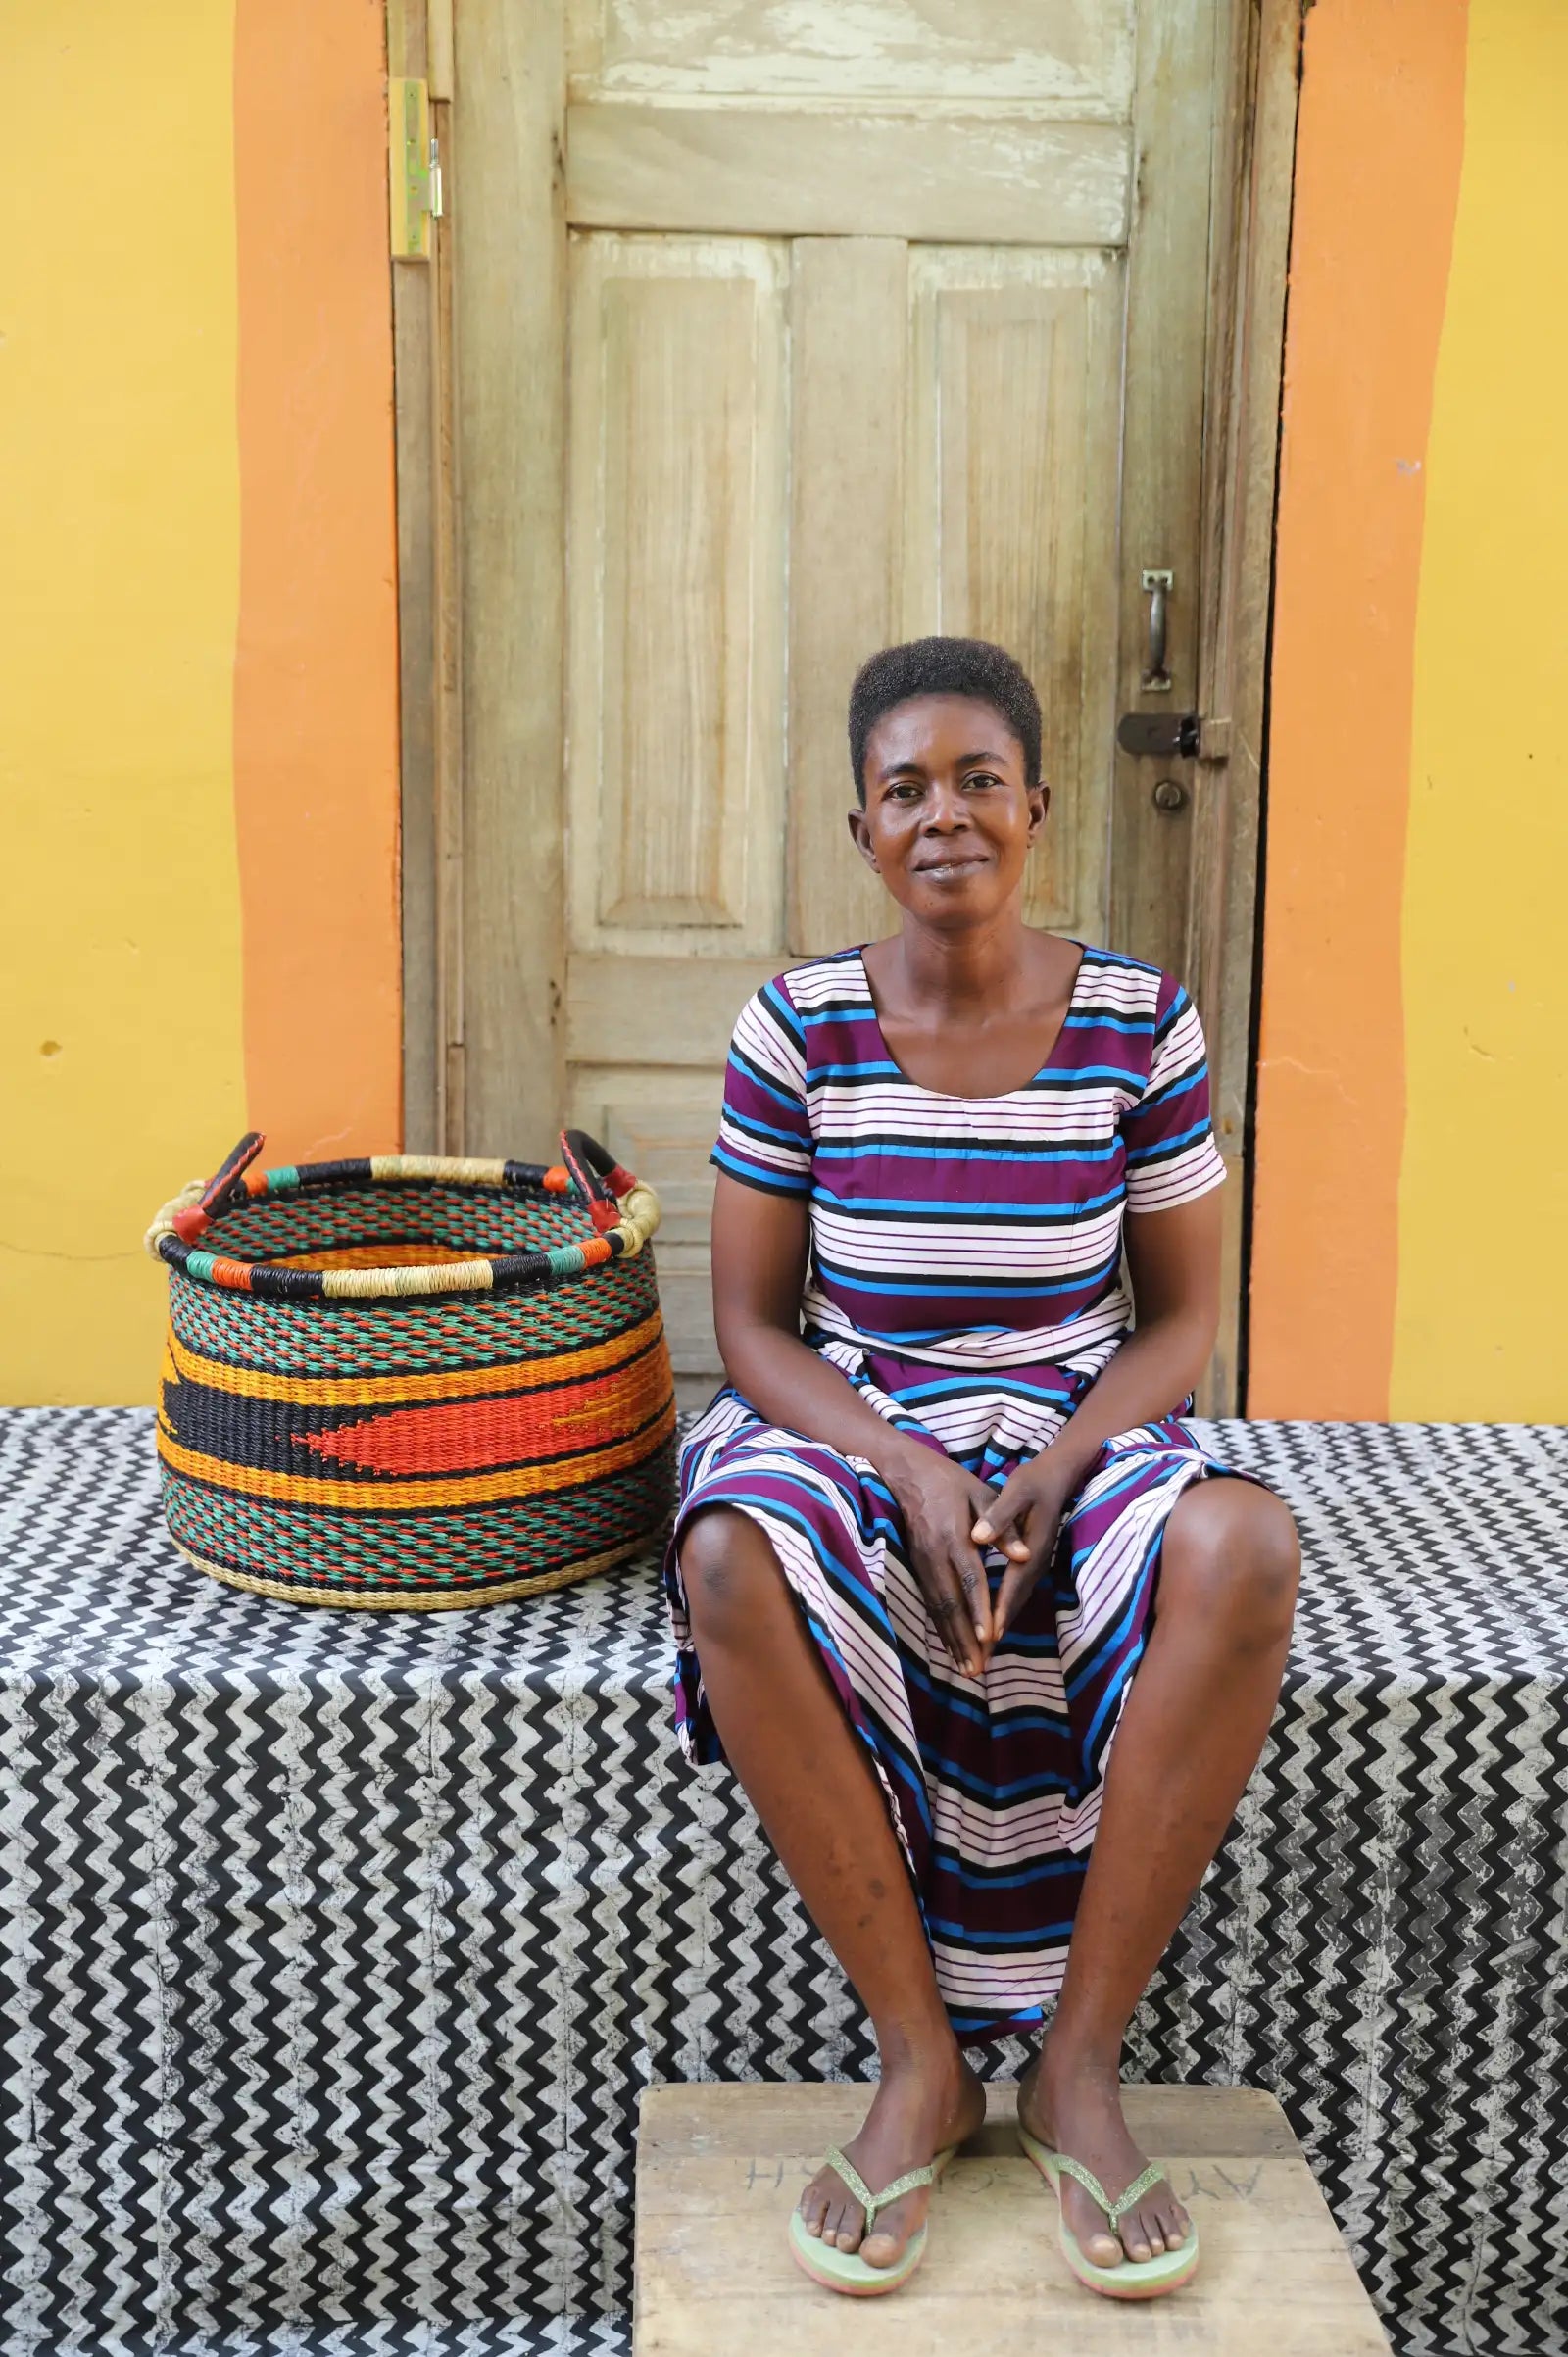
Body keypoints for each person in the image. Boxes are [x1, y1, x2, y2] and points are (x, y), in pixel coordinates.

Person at [665, 636, 1299, 2301]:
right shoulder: (795, 1027)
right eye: (904, 789)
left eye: (977, 780)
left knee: (1244, 1548)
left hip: (1079, 1407)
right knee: (726, 1555)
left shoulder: (1140, 1022)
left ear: (1037, 805)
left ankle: (1080, 2064)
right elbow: (751, 1328)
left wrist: (1070, 1458)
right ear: (860, 829)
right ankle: (922, 2062)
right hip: (854, 1404)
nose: (943, 813)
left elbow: (1183, 1321)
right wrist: (901, 1464)